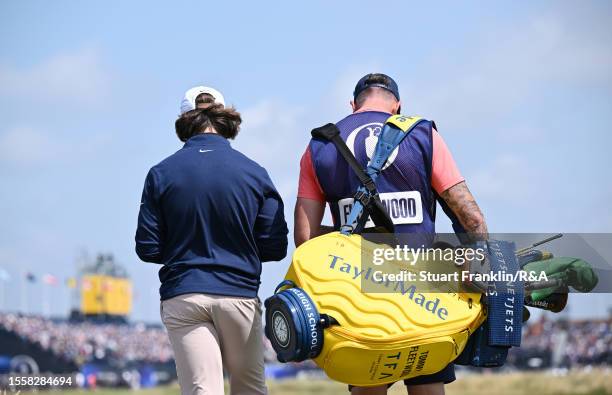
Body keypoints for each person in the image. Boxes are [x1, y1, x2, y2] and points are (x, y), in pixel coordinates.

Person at [294, 73, 488, 395]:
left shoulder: (319, 145)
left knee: (368, 386)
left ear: (352, 105)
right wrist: (474, 268)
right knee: (427, 387)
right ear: (398, 108)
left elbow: (305, 236)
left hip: (358, 291)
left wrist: (350, 234)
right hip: (426, 291)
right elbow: (473, 219)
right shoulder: (422, 134)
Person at [136, 86, 288, 395]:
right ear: (224, 118)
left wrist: (186, 247)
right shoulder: (255, 173)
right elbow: (275, 246)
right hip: (238, 292)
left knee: (203, 389)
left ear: (184, 120)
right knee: (250, 389)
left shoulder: (160, 174)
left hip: (184, 292)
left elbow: (147, 248)